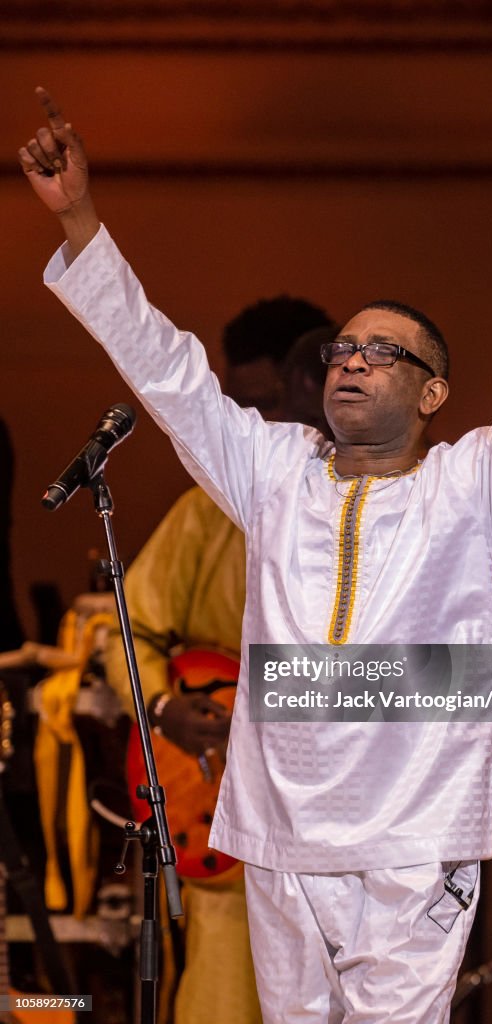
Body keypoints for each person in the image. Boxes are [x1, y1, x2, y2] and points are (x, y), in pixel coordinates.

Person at [20, 90, 492, 1023]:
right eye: (344, 349)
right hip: (278, 833)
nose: (350, 361)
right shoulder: (271, 470)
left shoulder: (467, 485)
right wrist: (79, 218)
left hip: (410, 839)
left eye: (381, 352)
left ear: (433, 391)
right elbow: (165, 370)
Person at [103, 319, 335, 1024]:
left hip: (337, 827)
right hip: (223, 814)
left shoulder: (400, 508)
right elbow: (127, 624)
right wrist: (162, 705)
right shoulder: (207, 511)